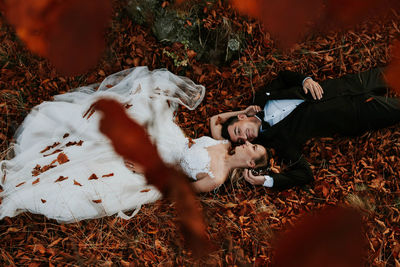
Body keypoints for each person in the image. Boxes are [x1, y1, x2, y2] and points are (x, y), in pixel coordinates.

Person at [0, 67, 268, 223]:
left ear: (250, 163)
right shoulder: (222, 143)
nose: (247, 143)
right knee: (125, 109)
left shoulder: (216, 177)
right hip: (171, 139)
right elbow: (215, 119)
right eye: (253, 142)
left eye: (253, 148)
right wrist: (242, 110)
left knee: (99, 159)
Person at [210, 67, 400, 190]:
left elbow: (283, 76)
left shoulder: (262, 97)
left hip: (349, 85)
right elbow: (305, 174)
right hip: (358, 113)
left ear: (242, 117)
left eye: (238, 131)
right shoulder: (279, 141)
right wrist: (268, 181)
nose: (246, 137)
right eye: (242, 141)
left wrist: (305, 80)